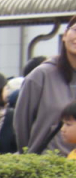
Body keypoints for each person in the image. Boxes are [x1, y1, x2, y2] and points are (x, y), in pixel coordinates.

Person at [13, 14, 76, 156]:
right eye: (75, 30)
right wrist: (29, 155)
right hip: (47, 168)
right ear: (65, 35)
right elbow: (22, 123)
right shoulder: (41, 76)